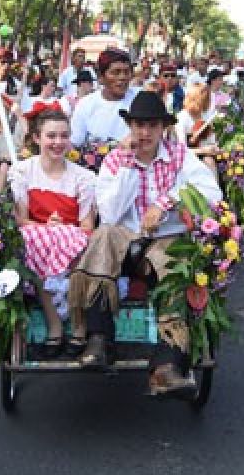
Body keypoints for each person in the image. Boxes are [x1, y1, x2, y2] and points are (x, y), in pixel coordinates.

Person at [67, 91, 222, 398]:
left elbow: (211, 192)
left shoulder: (180, 156)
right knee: (104, 234)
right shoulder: (115, 159)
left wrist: (165, 203)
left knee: (178, 264)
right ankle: (99, 340)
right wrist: (127, 163)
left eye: (152, 125)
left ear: (163, 127)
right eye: (138, 125)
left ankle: (167, 365)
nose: (145, 133)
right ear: (130, 127)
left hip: (164, 239)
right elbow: (110, 213)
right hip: (123, 241)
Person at [8, 108, 96, 356]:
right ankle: (54, 322)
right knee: (34, 240)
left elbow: (87, 225)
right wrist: (47, 228)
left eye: (64, 136)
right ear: (37, 138)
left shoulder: (83, 177)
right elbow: (22, 220)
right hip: (38, 236)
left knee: (77, 241)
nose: (58, 142)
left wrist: (63, 230)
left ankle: (79, 324)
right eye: (51, 136)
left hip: (72, 236)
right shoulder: (23, 172)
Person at [69, 48, 135, 147]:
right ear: (100, 77)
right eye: (116, 72)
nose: (122, 77)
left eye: (126, 72)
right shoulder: (86, 105)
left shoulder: (140, 100)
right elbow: (75, 143)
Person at [176, 83, 218, 169]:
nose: (208, 101)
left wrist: (214, 148)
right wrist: (203, 150)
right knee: (209, 162)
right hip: (188, 159)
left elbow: (210, 141)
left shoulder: (204, 115)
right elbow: (181, 150)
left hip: (205, 154)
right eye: (206, 98)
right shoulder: (182, 118)